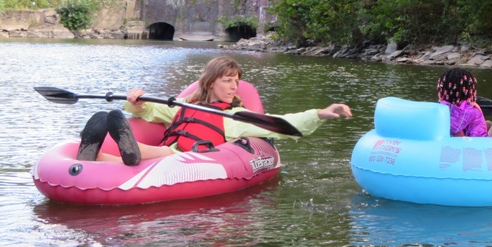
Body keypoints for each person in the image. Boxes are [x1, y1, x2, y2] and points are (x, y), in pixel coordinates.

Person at [76, 56, 352, 165]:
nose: (234, 86)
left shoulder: (233, 118)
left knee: (162, 153)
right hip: (165, 153)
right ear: (210, 82)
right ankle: (96, 152)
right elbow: (147, 112)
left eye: (236, 80)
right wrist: (134, 100)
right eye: (227, 80)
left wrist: (318, 113)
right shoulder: (182, 108)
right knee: (144, 145)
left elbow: (276, 122)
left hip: (186, 160)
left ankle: (110, 151)